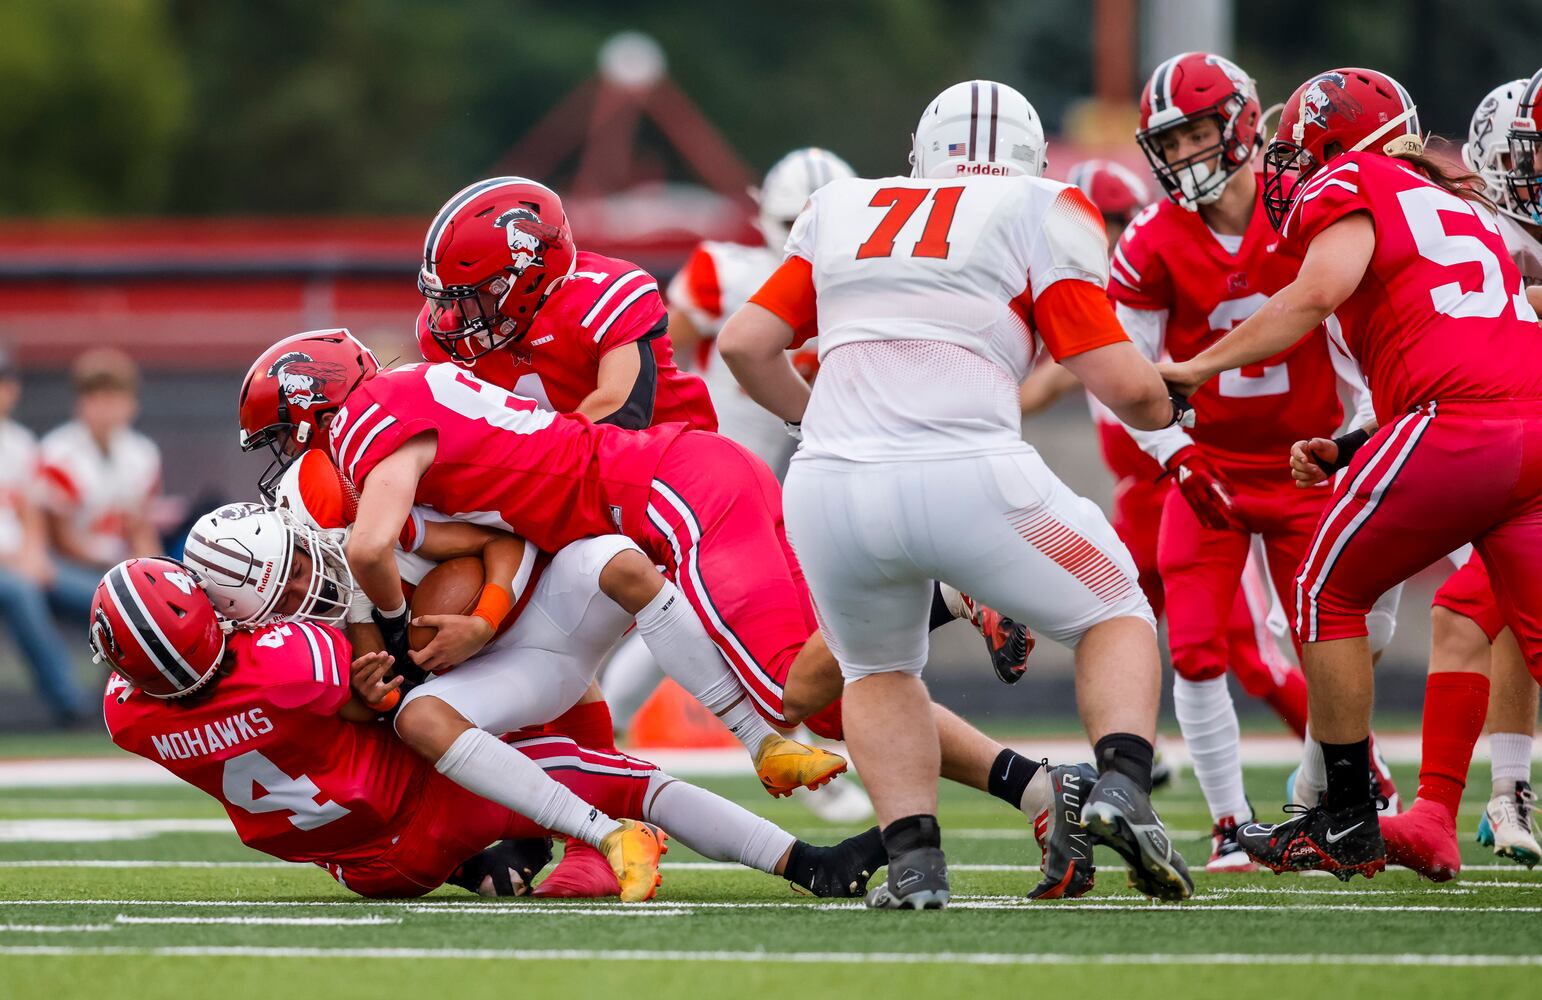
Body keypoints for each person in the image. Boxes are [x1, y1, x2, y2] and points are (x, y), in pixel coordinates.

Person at [239, 331, 1108, 902]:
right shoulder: (412, 417)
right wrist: (412, 633)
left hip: (658, 496)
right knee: (829, 686)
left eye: (286, 431)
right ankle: (1028, 788)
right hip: (604, 543)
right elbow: (482, 538)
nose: (452, 320)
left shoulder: (378, 427)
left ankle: (935, 599)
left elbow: (378, 553)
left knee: (786, 687)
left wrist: (405, 626)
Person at [719, 79, 1195, 908]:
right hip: (966, 469)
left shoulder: (841, 205)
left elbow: (746, 344)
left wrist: (821, 420)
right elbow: (1118, 381)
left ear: (919, 155)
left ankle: (913, 866)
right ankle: (1121, 785)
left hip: (830, 486)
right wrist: (1169, 398)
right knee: (1114, 609)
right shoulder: (1040, 203)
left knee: (874, 669)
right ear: (1029, 158)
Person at [1158, 67, 1542, 881]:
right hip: (1528, 432)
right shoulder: (1458, 205)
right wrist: (1354, 442)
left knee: (1324, 591)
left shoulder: (1355, 176)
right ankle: (1403, 811)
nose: (1287, 168)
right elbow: (1467, 338)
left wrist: (1194, 369)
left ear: (1336, 141)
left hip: (1457, 425)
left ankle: (1341, 818)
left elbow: (1313, 294)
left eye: (1299, 150)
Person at [97, 555, 887, 901]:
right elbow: (367, 691)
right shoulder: (286, 661)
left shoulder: (126, 717)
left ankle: (491, 865)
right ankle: (806, 862)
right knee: (628, 783)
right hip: (431, 804)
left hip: (361, 869)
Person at [1105, 53, 1405, 871]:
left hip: (1306, 463)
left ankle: (1346, 784)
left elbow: (1354, 336)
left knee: (1331, 638)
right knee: (1198, 646)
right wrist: (1174, 456)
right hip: (1211, 468)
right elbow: (1124, 376)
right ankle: (1231, 824)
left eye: (1198, 132)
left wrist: (1355, 435)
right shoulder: (1151, 240)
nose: (1185, 155)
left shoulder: (1304, 211)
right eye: (1170, 141)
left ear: (1242, 121)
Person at [1018, 159, 1307, 799]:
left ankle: (1350, 774)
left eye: (1104, 225)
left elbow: (1078, 375)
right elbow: (1042, 384)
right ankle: (1136, 752)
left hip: (1192, 481)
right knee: (1111, 632)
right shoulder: (1085, 301)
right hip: (1138, 502)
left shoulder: (1143, 290)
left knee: (1248, 657)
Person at [608, 147, 876, 824]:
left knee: (767, 621)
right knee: (692, 611)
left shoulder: (858, 282)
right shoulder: (725, 271)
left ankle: (810, 750)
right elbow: (657, 362)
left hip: (797, 471)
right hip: (720, 473)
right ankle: (610, 726)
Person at [1378, 77, 1542, 878]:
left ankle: (1456, 804)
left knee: (1472, 610)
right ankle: (1492, 796)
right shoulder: (1479, 227)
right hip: (1519, 451)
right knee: (1478, 609)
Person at [0, 348, 89, 724]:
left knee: (105, 595)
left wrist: (34, 555)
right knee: (22, 593)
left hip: (25, 562)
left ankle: (135, 696)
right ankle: (68, 704)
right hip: (9, 569)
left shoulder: (19, 442)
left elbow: (30, 512)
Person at [40, 348, 161, 619]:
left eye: (114, 396)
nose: (105, 407)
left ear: (131, 403)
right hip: (67, 566)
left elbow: (142, 530)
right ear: (80, 402)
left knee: (160, 600)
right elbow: (61, 541)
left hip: (119, 563)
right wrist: (115, 561)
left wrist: (154, 571)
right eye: (96, 396)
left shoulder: (142, 453)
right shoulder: (57, 454)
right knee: (122, 608)